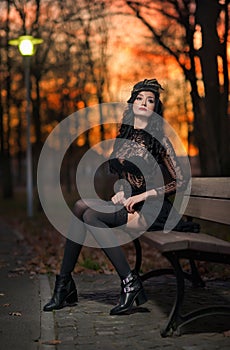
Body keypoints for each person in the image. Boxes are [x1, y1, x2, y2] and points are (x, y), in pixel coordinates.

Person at [43, 78, 188, 315]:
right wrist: (121, 192)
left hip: (152, 208)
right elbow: (126, 177)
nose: (144, 103)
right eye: (139, 98)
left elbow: (180, 181)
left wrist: (144, 196)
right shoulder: (126, 136)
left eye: (150, 100)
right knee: (81, 207)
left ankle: (127, 282)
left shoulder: (159, 139)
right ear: (132, 104)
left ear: (155, 108)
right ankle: (65, 283)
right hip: (132, 204)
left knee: (90, 217)